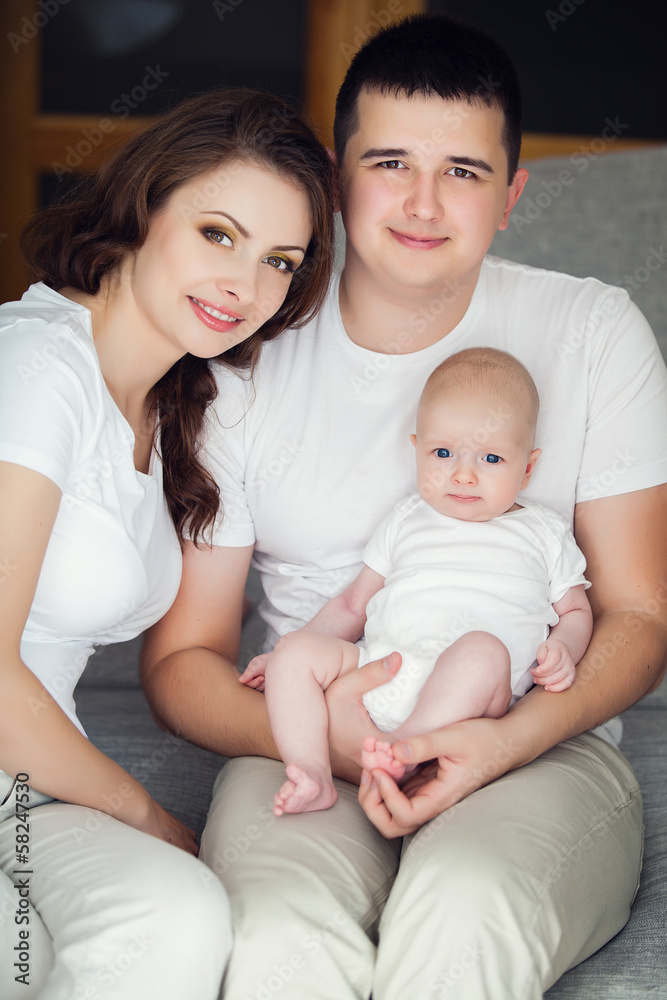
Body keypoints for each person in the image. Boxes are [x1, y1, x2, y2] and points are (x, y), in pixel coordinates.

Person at [141, 14, 667, 1000]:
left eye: (463, 171)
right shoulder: (243, 360)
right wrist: (336, 740)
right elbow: (180, 663)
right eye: (390, 162)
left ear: (511, 194)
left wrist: (499, 738)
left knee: (464, 908)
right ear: (336, 178)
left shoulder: (593, 330)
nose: (424, 203)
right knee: (273, 937)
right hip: (309, 735)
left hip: (535, 746)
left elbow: (638, 615)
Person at [0, 87, 334, 1000]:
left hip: (22, 785)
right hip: (24, 770)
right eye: (218, 234)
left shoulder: (174, 405)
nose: (244, 285)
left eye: (279, 261)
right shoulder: (36, 367)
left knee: (175, 917)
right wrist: (140, 810)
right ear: (145, 207)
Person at [240, 348, 593, 815]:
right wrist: (294, 650)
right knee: (294, 653)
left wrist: (564, 648)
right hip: (380, 671)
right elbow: (352, 606)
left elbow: (575, 611)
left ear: (527, 467)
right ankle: (311, 772)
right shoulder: (407, 518)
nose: (463, 475)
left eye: (491, 457)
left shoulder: (543, 531)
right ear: (417, 450)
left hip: (469, 695)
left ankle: (402, 752)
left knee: (482, 648)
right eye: (443, 453)